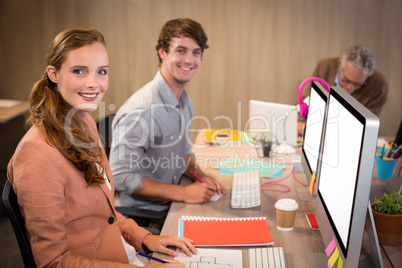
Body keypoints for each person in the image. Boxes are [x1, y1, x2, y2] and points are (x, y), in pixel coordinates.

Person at [7, 26, 196, 267]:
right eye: (79, 71)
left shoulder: (84, 122)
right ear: (53, 74)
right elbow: (52, 261)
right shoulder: (37, 154)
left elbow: (103, 212)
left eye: (102, 72)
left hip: (121, 248)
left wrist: (145, 237)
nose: (93, 83)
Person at [109, 18, 226, 227]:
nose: (190, 60)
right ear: (162, 52)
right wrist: (184, 192)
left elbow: (183, 152)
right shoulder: (143, 110)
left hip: (172, 202)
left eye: (196, 52)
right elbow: (120, 177)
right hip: (144, 216)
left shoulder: (183, 100)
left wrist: (199, 175)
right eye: (181, 50)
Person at [306, 45, 388, 117]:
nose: (350, 87)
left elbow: (369, 123)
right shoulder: (324, 67)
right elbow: (307, 99)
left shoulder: (379, 86)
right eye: (346, 80)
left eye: (357, 84)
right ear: (340, 63)